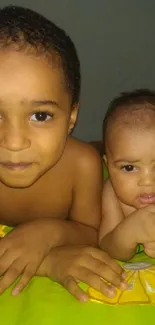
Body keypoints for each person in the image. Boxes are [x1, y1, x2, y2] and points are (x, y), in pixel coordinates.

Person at [0, 5, 127, 301]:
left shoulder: (83, 164)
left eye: (40, 116)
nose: (15, 142)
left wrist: (47, 233)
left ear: (71, 118)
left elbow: (91, 232)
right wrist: (47, 262)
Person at [99, 89, 155, 262]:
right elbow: (107, 247)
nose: (147, 181)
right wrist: (129, 232)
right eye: (129, 167)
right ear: (108, 165)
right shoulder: (113, 193)